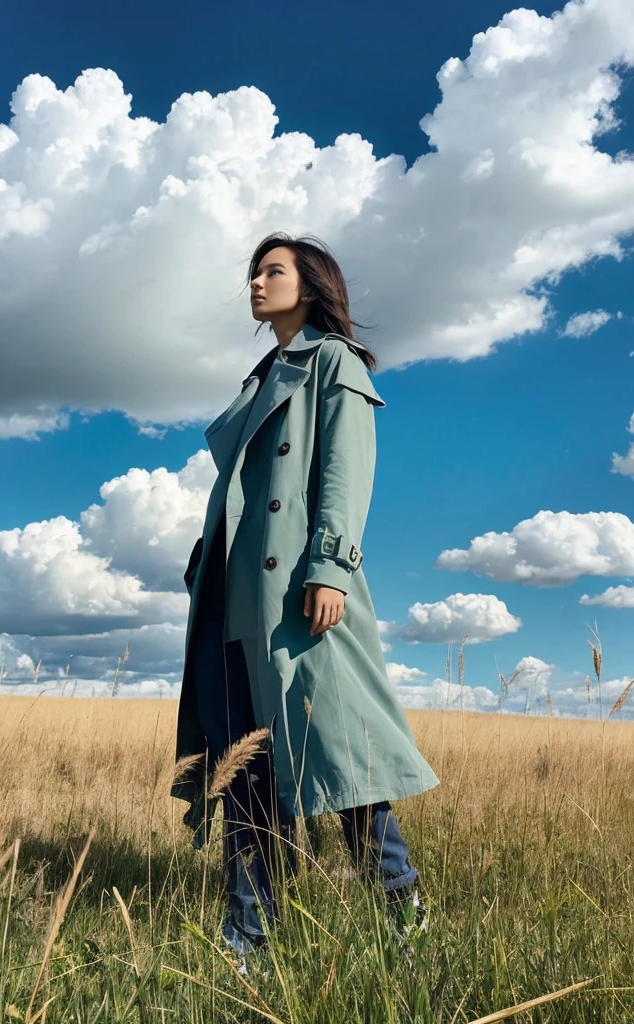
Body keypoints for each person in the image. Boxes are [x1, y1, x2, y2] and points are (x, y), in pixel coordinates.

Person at [171, 231, 440, 963]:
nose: (256, 283)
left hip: (296, 595)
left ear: (311, 284)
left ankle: (406, 921)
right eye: (253, 272)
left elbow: (344, 475)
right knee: (245, 776)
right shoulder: (262, 377)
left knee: (344, 765)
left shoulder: (332, 363)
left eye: (273, 270)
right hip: (234, 600)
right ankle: (248, 937)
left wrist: (330, 566)